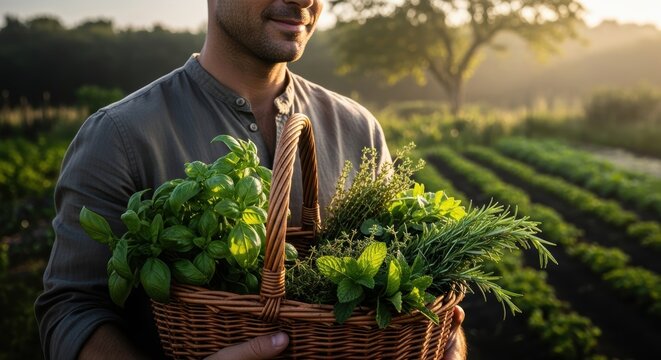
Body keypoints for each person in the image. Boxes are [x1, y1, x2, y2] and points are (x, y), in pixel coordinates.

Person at [35, 0, 467, 359]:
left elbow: (416, 298)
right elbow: (71, 311)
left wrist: (451, 345)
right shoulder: (121, 135)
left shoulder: (358, 128)